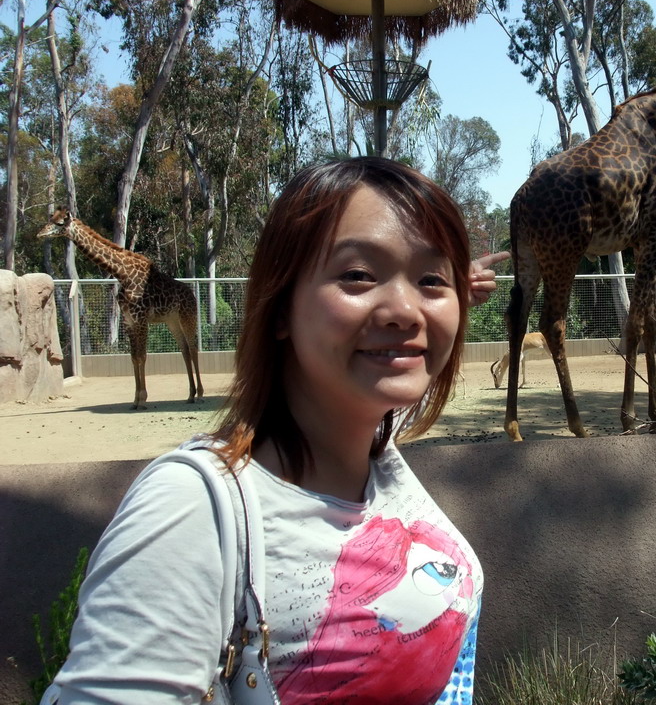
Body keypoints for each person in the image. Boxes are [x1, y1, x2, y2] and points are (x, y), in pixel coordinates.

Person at [44, 157, 510, 704]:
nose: (406, 310)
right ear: (280, 306)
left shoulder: (373, 448)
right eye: (358, 274)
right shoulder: (191, 507)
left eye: (432, 280)